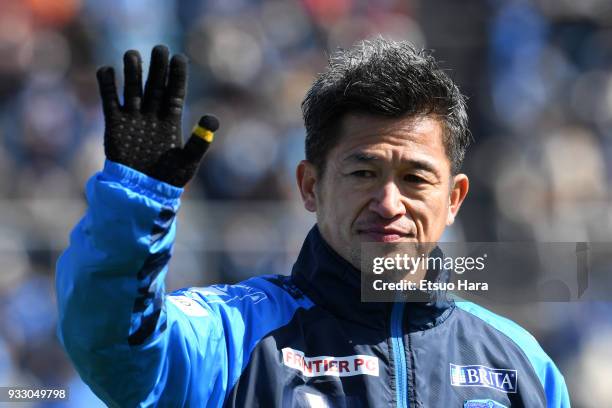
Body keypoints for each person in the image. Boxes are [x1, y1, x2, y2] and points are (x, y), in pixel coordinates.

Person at [56, 39, 570, 407]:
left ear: (454, 198)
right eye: (363, 172)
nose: (389, 202)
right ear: (309, 186)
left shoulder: (521, 363)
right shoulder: (232, 335)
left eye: (416, 177)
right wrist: (136, 204)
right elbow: (115, 352)